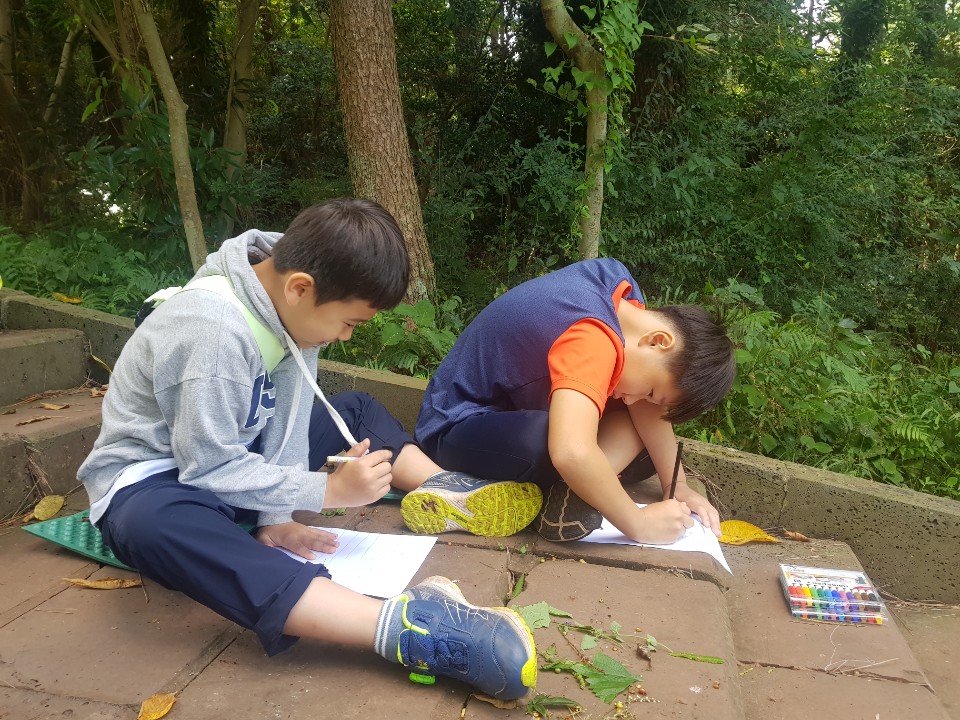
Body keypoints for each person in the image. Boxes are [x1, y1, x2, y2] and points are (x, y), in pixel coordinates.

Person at [77, 198, 538, 700]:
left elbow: (289, 420)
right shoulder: (209, 333)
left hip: (234, 458)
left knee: (356, 410)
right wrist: (327, 489)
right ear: (300, 288)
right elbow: (207, 468)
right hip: (157, 479)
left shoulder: (291, 301)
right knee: (154, 528)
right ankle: (403, 626)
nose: (345, 337)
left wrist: (275, 517)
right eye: (349, 323)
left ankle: (444, 490)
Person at [413, 257, 736, 545]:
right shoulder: (592, 337)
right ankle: (582, 485)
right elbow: (570, 451)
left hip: (521, 411)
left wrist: (676, 485)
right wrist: (639, 523)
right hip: (457, 429)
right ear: (657, 341)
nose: (637, 399)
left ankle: (575, 489)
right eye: (651, 391)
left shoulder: (622, 294)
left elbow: (646, 413)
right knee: (544, 438)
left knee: (651, 448)